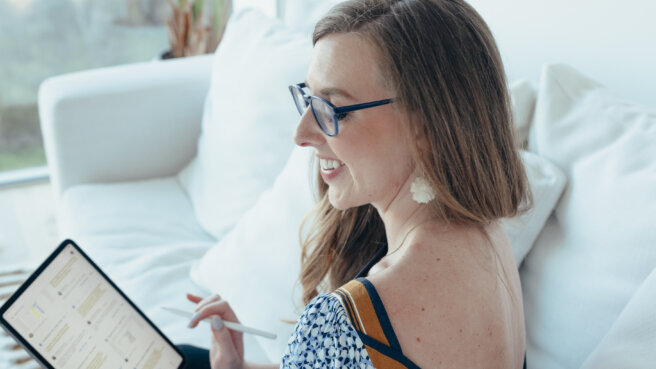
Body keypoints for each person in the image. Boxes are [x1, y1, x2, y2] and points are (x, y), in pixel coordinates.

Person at [179, 0, 530, 368]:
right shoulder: (489, 236)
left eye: (333, 109)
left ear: (425, 125)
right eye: (308, 99)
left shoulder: (341, 323)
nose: (301, 134)